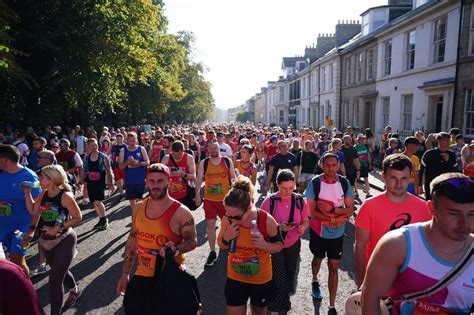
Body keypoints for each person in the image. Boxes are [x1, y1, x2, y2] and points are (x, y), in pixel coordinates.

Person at [361, 173, 474, 314]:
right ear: (432, 208)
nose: (465, 222)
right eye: (454, 213)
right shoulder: (397, 244)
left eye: (472, 214)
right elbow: (370, 296)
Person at [116, 164, 197, 312]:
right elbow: (132, 241)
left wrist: (177, 249)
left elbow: (192, 241)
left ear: (169, 182)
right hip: (142, 275)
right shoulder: (138, 208)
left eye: (160, 181)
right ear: (146, 182)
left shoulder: (181, 213)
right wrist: (125, 274)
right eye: (151, 181)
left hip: (170, 276)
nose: (155, 185)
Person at [354, 154, 431, 287]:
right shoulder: (369, 206)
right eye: (393, 178)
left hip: (412, 283)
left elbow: (430, 247)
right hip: (377, 280)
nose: (399, 184)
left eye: (404, 178)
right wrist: (362, 281)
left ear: (410, 177)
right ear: (383, 176)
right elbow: (360, 246)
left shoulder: (424, 208)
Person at [217, 175, 284, 315]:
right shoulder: (228, 219)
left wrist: (264, 244)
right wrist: (226, 237)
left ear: (249, 207)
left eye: (236, 216)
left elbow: (279, 245)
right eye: (228, 214)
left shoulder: (266, 220)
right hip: (235, 277)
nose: (231, 218)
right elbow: (222, 245)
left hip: (260, 279)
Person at [23, 165, 83, 314]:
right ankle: (75, 290)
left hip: (65, 238)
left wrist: (59, 227)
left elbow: (78, 217)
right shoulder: (43, 194)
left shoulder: (65, 196)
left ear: (51, 179)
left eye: (42, 177)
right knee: (59, 270)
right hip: (47, 240)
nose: (39, 179)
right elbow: (32, 210)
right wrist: (27, 193)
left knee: (55, 279)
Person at [304, 153, 354, 315]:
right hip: (319, 231)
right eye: (327, 165)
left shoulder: (344, 183)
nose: (331, 168)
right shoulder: (315, 183)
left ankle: (332, 306)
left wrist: (332, 210)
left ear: (338, 165)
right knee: (317, 259)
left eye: (334, 165)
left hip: (337, 234)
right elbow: (311, 212)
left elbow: (350, 209)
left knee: (334, 266)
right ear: (322, 165)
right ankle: (315, 279)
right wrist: (334, 220)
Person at [260, 169, 309, 314]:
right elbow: (260, 225)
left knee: (289, 274)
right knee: (278, 278)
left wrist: (302, 228)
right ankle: (275, 309)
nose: (288, 192)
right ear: (277, 185)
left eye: (290, 188)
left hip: (293, 243)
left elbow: (306, 220)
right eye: (284, 189)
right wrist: (277, 227)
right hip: (274, 245)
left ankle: (284, 301)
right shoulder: (269, 201)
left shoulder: (300, 200)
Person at [0, 144, 41, 274]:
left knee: (17, 261)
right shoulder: (2, 175)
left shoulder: (29, 177)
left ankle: (27, 291)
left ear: (5, 159)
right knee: (5, 262)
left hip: (22, 228)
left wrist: (32, 229)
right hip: (3, 226)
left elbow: (37, 206)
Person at [195, 140, 235, 267]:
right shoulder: (204, 162)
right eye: (211, 149)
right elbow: (199, 178)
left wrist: (236, 195)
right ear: (208, 150)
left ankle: (230, 247)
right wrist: (197, 194)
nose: (213, 150)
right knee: (210, 225)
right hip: (209, 200)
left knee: (229, 225)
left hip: (225, 201)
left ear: (219, 148)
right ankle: (212, 252)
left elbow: (233, 178)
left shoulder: (227, 161)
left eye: (215, 148)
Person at [79, 138, 114, 230]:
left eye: (95, 145)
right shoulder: (86, 158)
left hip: (100, 182)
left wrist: (110, 183)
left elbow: (109, 171)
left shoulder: (103, 157)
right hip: (90, 182)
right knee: (94, 202)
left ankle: (104, 219)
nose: (94, 147)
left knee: (98, 201)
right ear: (88, 147)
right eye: (92, 146)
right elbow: (83, 171)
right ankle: (101, 219)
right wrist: (80, 182)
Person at [119, 132, 150, 212]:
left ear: (136, 140)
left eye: (134, 140)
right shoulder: (123, 151)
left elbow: (148, 162)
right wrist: (127, 162)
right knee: (132, 200)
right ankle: (135, 214)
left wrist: (138, 162)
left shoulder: (141, 149)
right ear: (127, 141)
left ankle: (139, 215)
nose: (132, 143)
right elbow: (120, 167)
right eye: (130, 141)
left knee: (139, 199)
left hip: (140, 179)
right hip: (129, 180)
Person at [161, 140, 196, 208]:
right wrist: (169, 174)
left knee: (182, 216)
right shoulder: (166, 158)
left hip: (184, 194)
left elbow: (193, 177)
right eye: (174, 154)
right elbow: (159, 175)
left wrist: (182, 174)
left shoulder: (189, 158)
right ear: (171, 150)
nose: (176, 156)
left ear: (183, 150)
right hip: (169, 194)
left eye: (179, 154)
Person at [422, 132, 457, 200]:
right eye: (445, 140)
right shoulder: (429, 154)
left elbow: (455, 172)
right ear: (438, 140)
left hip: (446, 185)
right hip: (431, 183)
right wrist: (420, 185)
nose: (448, 142)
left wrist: (448, 161)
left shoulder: (452, 155)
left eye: (449, 140)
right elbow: (422, 170)